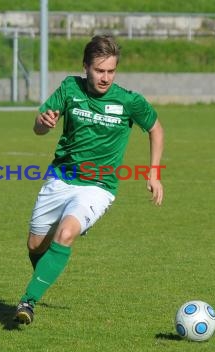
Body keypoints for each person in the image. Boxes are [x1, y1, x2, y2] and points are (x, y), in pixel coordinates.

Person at [14, 35, 165, 325]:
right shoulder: (70, 88)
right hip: (60, 178)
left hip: (98, 187)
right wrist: (42, 123)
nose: (105, 77)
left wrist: (154, 171)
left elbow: (156, 128)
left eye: (111, 71)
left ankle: (27, 302)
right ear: (86, 67)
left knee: (66, 233)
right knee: (35, 246)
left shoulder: (128, 101)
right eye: (99, 70)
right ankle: (44, 278)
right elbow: (39, 127)